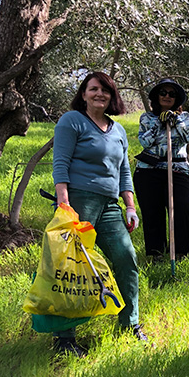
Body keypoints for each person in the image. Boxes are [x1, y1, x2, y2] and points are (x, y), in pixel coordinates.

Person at [51, 72, 146, 356]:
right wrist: (64, 204)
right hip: (78, 201)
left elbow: (124, 172)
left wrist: (130, 206)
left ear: (112, 96)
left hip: (109, 206)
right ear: (83, 94)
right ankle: (64, 338)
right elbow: (60, 163)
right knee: (70, 267)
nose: (99, 94)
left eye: (105, 90)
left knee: (126, 257)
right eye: (93, 89)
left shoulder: (117, 131)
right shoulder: (72, 121)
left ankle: (130, 323)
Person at [134, 78, 189, 260]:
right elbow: (144, 142)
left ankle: (180, 252)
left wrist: (176, 121)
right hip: (148, 170)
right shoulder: (146, 118)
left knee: (181, 211)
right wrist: (158, 124)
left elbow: (188, 137)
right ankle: (156, 254)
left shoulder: (185, 117)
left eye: (172, 94)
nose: (167, 96)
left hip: (177, 169)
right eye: (163, 93)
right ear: (156, 97)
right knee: (153, 212)